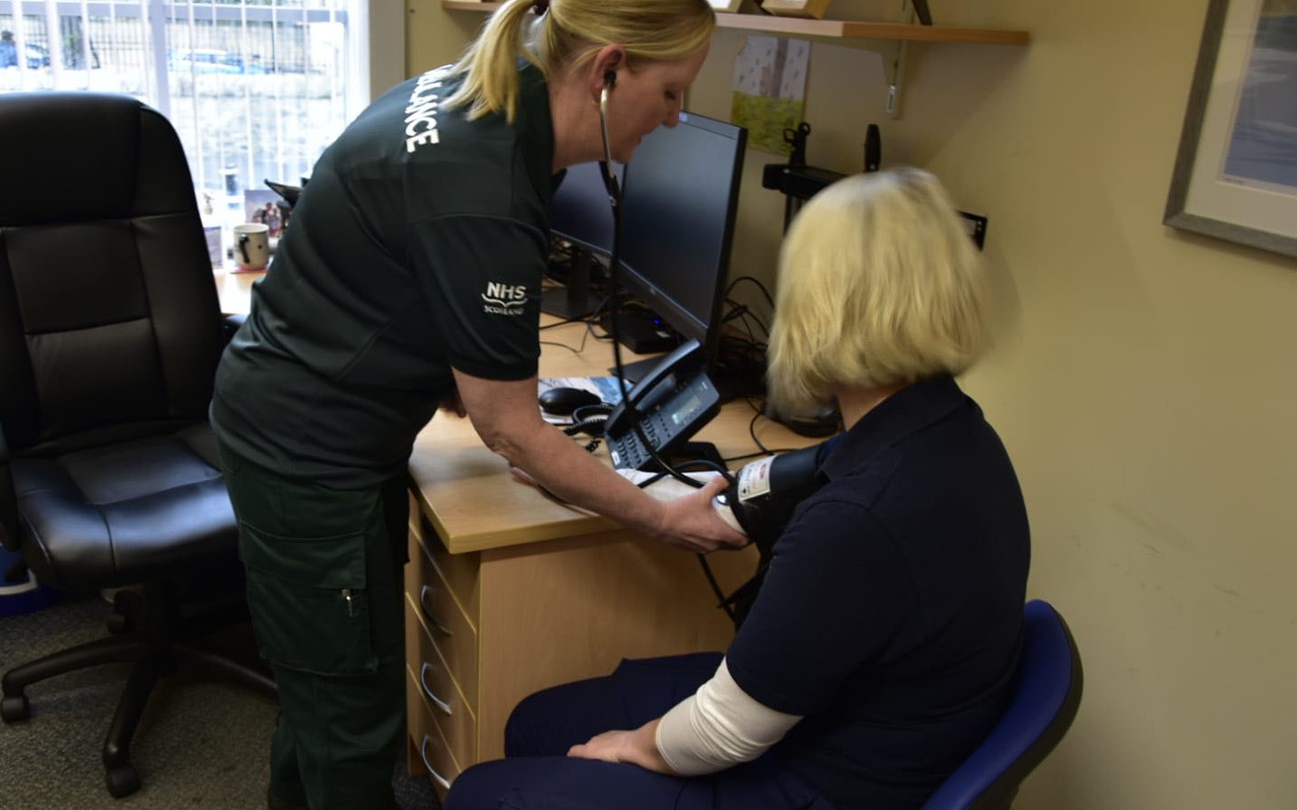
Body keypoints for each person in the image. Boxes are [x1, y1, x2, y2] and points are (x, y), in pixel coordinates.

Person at [208, 1, 747, 808]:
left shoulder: (484, 94)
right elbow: (506, 425)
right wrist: (657, 517)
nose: (674, 119)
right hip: (308, 452)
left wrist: (533, 441)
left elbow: (417, 285)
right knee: (350, 720)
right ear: (606, 71)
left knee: (324, 692)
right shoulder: (487, 176)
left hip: (309, 419)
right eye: (671, 92)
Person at [443, 167, 1032, 810]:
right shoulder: (944, 431)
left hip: (815, 780)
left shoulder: (857, 519)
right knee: (537, 723)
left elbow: (724, 731)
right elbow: (762, 489)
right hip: (843, 720)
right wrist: (593, 481)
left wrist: (628, 748)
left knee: (483, 794)